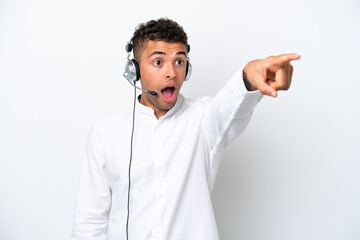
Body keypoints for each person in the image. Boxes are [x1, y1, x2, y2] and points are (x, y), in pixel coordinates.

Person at [71, 18, 300, 240]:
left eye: (179, 61)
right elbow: (89, 224)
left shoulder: (203, 118)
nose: (171, 72)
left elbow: (230, 105)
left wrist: (250, 75)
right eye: (158, 62)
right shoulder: (105, 133)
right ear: (135, 70)